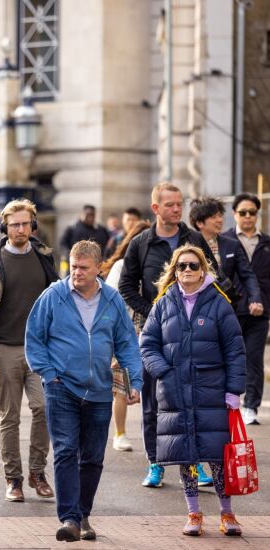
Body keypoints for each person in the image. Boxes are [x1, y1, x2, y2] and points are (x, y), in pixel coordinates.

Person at [25, 240, 143, 542]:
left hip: (101, 390)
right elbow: (34, 338)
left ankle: (83, 514)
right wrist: (49, 375)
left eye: (83, 268)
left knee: (92, 457)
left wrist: (134, 384)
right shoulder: (54, 296)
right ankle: (70, 518)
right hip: (61, 386)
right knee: (65, 451)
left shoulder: (112, 300)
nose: (76, 272)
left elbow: (127, 344)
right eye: (73, 266)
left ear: (98, 269)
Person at [139, 245, 246, 537]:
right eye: (182, 266)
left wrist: (234, 391)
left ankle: (227, 513)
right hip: (175, 391)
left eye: (193, 266)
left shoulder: (218, 303)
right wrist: (162, 370)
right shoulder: (163, 303)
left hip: (212, 391)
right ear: (174, 270)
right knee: (186, 455)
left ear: (203, 270)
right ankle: (194, 513)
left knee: (217, 456)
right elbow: (147, 342)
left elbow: (235, 349)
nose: (187, 270)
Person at [119, 181, 217, 489]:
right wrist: (152, 312)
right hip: (156, 336)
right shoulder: (141, 243)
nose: (177, 209)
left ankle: (195, 463)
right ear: (156, 208)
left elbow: (214, 280)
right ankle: (156, 463)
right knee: (153, 403)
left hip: (193, 334)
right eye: (171, 204)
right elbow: (125, 286)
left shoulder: (194, 238)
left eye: (180, 204)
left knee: (193, 400)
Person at [0, 199, 57, 502]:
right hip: (3, 348)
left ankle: (37, 472)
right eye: (15, 224)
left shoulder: (45, 257)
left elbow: (56, 303)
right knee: (9, 416)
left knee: (43, 408)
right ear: (5, 227)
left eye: (25, 223)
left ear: (33, 225)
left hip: (39, 350)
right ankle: (14, 479)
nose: (21, 229)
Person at [99, 220, 151, 452]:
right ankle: (120, 433)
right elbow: (109, 300)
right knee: (122, 383)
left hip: (151, 326)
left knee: (151, 383)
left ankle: (154, 431)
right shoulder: (122, 266)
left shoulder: (156, 264)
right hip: (127, 327)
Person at [222, 193, 270, 426]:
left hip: (260, 312)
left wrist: (263, 301)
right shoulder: (226, 240)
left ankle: (250, 406)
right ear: (235, 214)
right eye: (243, 212)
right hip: (230, 311)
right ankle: (229, 402)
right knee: (228, 357)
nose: (248, 216)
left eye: (252, 212)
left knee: (253, 358)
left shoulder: (267, 243)